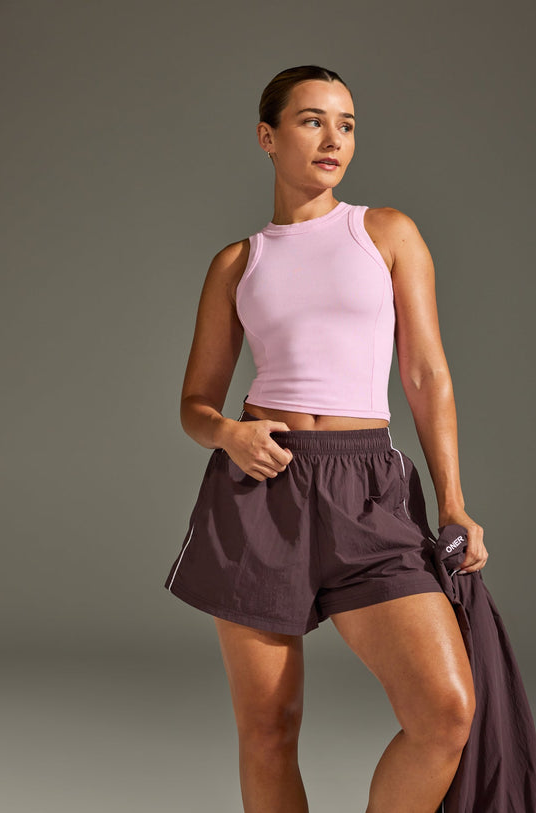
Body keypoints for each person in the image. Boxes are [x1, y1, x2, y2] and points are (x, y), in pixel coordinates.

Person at [164, 64, 489, 813]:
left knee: (445, 712)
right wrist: (229, 435)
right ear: (267, 136)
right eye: (312, 121)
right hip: (261, 491)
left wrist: (453, 500)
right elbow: (193, 405)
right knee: (268, 729)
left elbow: (426, 374)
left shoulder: (387, 233)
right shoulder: (238, 262)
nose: (332, 139)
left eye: (346, 125)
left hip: (366, 488)